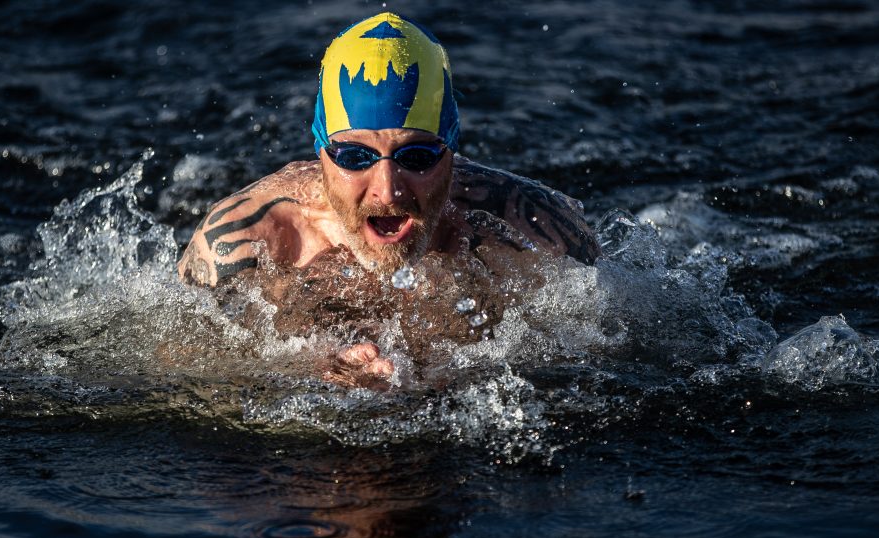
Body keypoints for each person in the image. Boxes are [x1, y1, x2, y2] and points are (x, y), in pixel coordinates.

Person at [177, 12, 600, 386]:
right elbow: (178, 379)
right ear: (320, 151)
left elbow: (615, 355)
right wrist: (305, 371)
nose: (388, 190)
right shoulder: (240, 241)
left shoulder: (537, 235)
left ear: (451, 149)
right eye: (355, 157)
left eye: (415, 156)